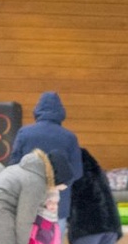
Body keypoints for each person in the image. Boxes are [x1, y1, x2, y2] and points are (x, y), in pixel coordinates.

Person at [8, 91, 83, 227]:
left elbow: (13, 166)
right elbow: (77, 172)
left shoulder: (24, 133)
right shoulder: (69, 137)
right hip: (58, 204)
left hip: (28, 200)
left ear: (37, 110)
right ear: (61, 112)